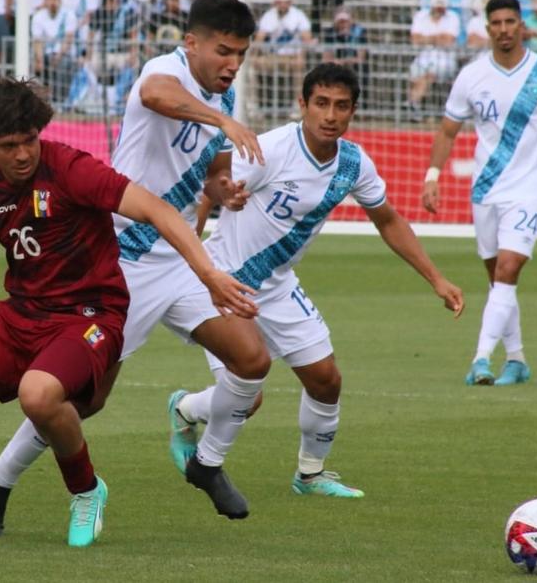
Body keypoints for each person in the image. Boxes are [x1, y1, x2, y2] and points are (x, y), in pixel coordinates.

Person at [0, 76, 258, 547]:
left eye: (29, 140)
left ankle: (86, 491)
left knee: (38, 395)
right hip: (22, 315)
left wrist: (209, 275)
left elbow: (159, 211)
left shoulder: (73, 169)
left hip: (90, 315)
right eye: (8, 145)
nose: (22, 154)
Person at [0, 0, 272, 531]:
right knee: (84, 401)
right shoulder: (164, 72)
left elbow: (213, 174)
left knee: (252, 362)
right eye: (224, 51)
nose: (233, 64)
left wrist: (225, 191)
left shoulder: (219, 103)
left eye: (242, 55)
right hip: (122, 259)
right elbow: (157, 95)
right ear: (192, 43)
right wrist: (221, 121)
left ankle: (205, 460)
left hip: (177, 261)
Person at [168, 64, 465, 501]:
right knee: (249, 400)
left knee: (326, 379)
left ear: (352, 112)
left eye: (341, 106)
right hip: (226, 282)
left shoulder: (353, 163)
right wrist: (212, 220)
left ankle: (309, 475)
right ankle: (184, 409)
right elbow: (211, 184)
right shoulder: (270, 150)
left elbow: (388, 220)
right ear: (302, 105)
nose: (330, 115)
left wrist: (437, 279)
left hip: (278, 284)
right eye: (321, 103)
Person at [421, 0, 537, 386]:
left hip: (528, 188)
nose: (504, 30)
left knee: (510, 269)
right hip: (486, 189)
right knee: (498, 278)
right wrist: (432, 175)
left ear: (522, 25)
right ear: (487, 28)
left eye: (511, 22)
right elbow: (448, 130)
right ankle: (517, 359)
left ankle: (480, 359)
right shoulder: (471, 77)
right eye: (497, 23)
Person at [253, 0, 314, 120]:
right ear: (275, 3)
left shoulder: (298, 15)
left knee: (299, 66)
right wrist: (254, 56)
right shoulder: (269, 15)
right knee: (252, 67)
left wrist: (301, 55)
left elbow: (307, 38)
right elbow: (260, 37)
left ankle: (297, 107)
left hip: (292, 56)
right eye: (279, 2)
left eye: (285, 2)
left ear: (290, 3)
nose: (282, 5)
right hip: (273, 56)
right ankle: (255, 106)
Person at [406, 0, 460, 122]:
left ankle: (412, 104)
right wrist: (437, 37)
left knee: (429, 75)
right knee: (416, 75)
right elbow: (415, 39)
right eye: (437, 5)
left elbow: (448, 41)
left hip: (445, 59)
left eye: (442, 6)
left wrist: (426, 38)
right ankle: (415, 108)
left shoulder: (453, 17)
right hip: (422, 57)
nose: (439, 9)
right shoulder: (421, 16)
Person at [31, 0, 76, 105]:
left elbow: (68, 38)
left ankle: (59, 101)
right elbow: (37, 41)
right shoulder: (38, 17)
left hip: (63, 54)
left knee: (64, 63)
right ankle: (40, 100)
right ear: (45, 1)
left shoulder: (68, 15)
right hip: (45, 54)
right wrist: (39, 59)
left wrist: (59, 55)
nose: (53, 2)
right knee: (35, 65)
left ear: (59, 0)